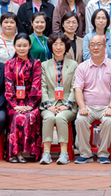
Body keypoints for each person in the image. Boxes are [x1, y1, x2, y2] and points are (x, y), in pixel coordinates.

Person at [74, 34, 111, 164]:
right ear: (88, 48)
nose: (96, 47)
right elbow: (78, 89)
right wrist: (82, 107)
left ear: (105, 47)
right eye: (93, 45)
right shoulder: (82, 67)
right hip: (88, 106)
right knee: (80, 120)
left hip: (106, 106)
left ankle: (103, 153)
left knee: (109, 122)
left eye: (99, 44)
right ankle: (85, 153)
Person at [38, 33, 78, 165]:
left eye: (61, 44)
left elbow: (74, 87)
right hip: (49, 105)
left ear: (66, 46)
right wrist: (48, 105)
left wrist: (67, 105)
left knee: (61, 118)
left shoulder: (73, 65)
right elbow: (42, 86)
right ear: (51, 46)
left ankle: (64, 153)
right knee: (49, 118)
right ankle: (46, 153)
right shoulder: (44, 65)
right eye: (55, 44)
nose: (58, 47)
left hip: (67, 106)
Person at [3, 33, 42, 162]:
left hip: (31, 102)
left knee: (30, 116)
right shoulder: (9, 64)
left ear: (30, 46)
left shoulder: (35, 63)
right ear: (14, 46)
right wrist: (15, 106)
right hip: (13, 103)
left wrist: (30, 105)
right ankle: (16, 153)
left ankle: (30, 152)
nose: (22, 48)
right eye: (19, 46)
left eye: (25, 45)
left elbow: (36, 86)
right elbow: (8, 86)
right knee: (17, 116)